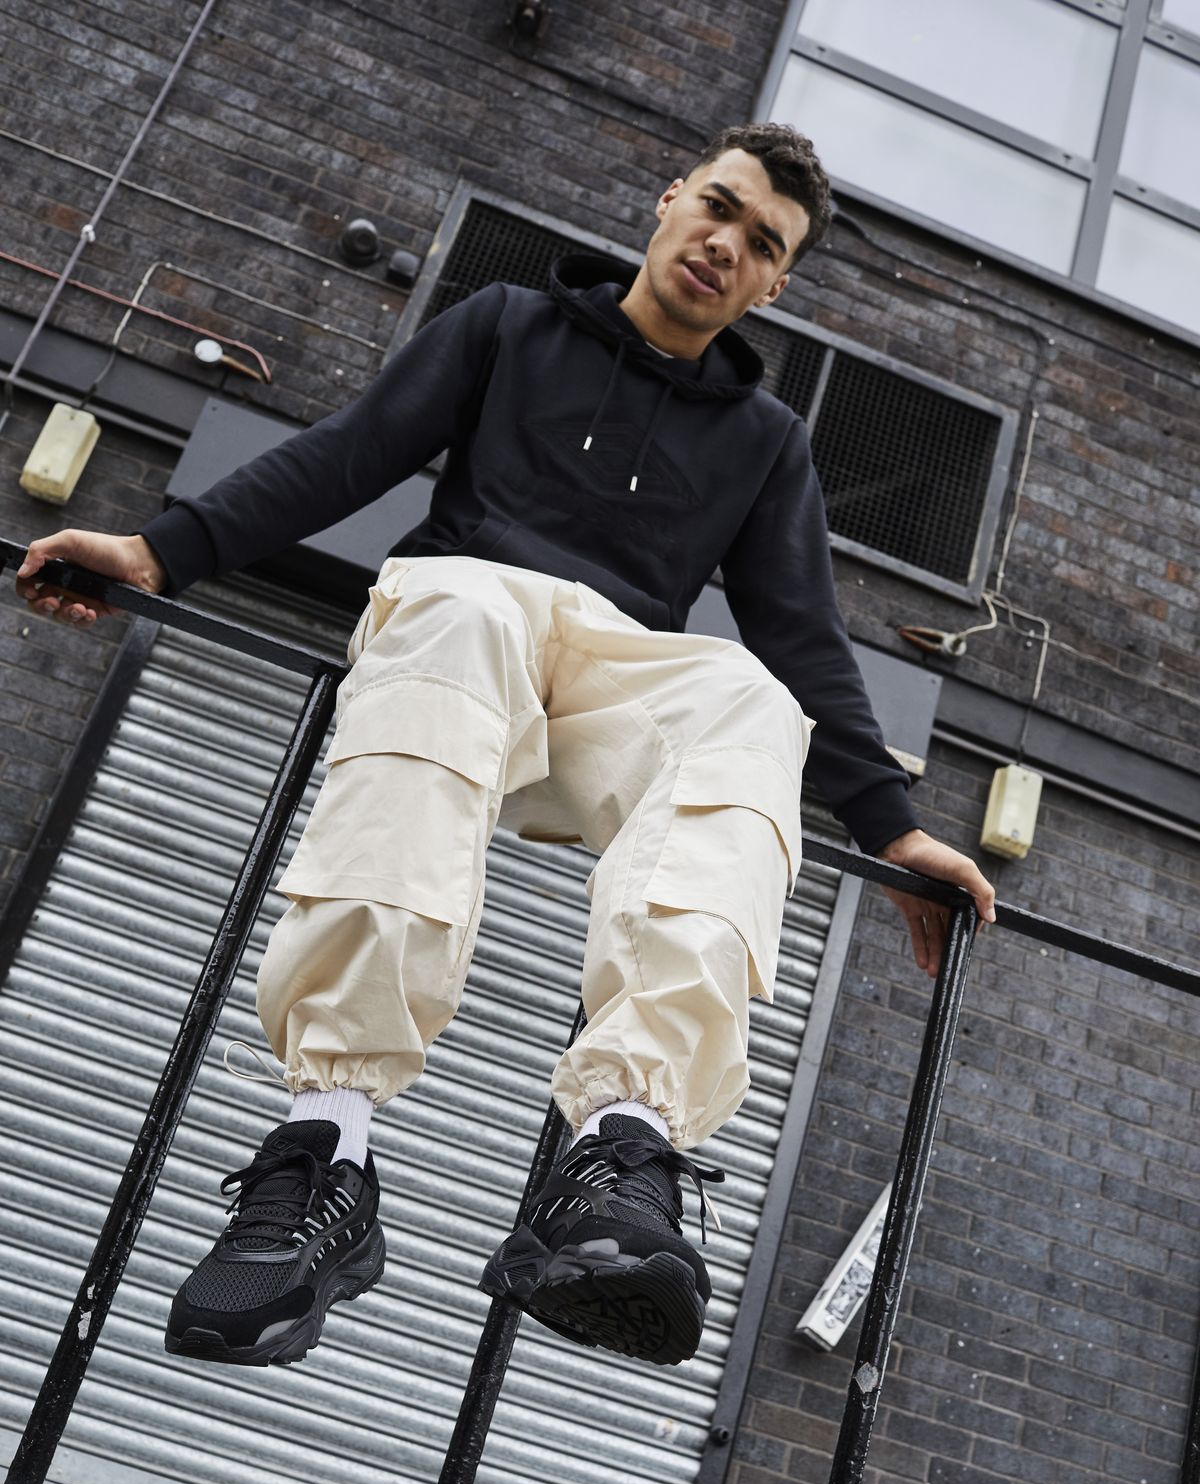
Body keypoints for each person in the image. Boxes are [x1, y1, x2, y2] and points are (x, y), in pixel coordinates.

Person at [17, 124, 995, 1373]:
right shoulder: (509, 326)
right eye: (718, 207)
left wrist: (892, 829)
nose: (725, 245)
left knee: (751, 694)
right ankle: (327, 1153)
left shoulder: (765, 442)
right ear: (669, 200)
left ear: (772, 286)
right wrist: (160, 553)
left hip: (606, 693)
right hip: (462, 646)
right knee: (469, 604)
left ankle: (625, 1158)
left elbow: (804, 637)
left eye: (762, 244)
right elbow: (350, 453)